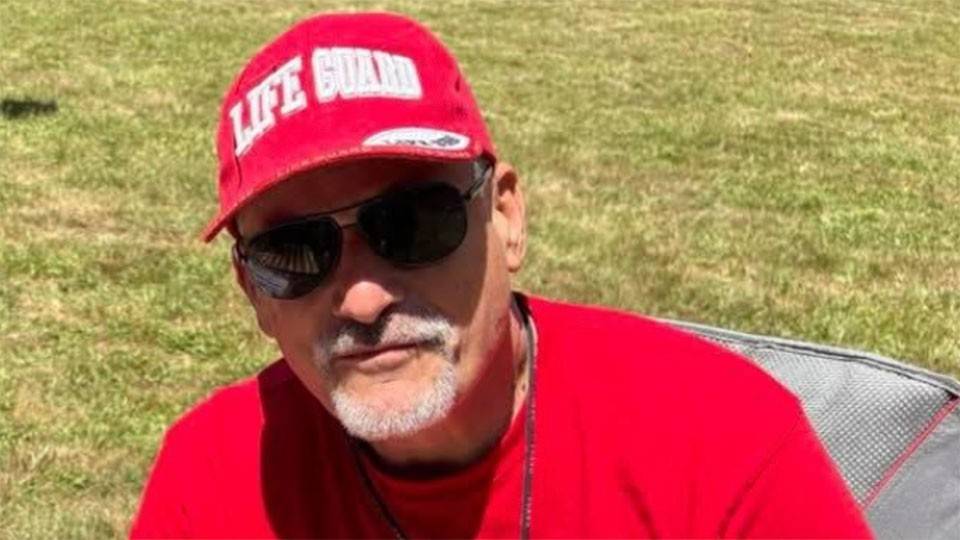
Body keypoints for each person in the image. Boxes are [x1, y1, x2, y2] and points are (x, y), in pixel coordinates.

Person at [131, 12, 872, 539]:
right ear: (252, 293)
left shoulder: (718, 443)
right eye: (294, 251)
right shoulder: (215, 480)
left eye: (412, 223)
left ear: (507, 218)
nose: (361, 296)